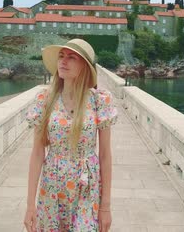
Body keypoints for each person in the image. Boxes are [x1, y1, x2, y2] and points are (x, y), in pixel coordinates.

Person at [23, 38, 117, 232]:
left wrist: (105, 207)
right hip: (52, 186)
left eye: (72, 57)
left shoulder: (99, 101)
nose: (63, 61)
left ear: (84, 66)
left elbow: (105, 155)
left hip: (87, 187)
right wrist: (30, 205)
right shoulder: (44, 100)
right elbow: (38, 153)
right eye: (61, 56)